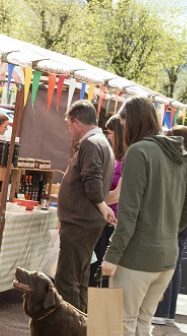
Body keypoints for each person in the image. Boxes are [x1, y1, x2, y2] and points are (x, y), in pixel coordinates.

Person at [79, 96, 187, 336]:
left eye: (121, 122)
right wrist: (164, 231)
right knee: (139, 332)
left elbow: (129, 214)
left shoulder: (139, 153)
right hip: (164, 260)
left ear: (132, 122)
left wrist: (111, 257)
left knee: (118, 335)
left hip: (135, 260)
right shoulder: (176, 152)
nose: (118, 129)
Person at [56, 100, 115, 312]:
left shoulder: (91, 143)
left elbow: (91, 178)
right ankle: (82, 330)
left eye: (70, 125)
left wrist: (100, 205)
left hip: (80, 223)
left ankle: (70, 334)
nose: (70, 129)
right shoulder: (101, 142)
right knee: (79, 280)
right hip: (86, 222)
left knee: (67, 280)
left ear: (77, 122)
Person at [152, 125, 187, 325]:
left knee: (167, 262)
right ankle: (168, 313)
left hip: (176, 215)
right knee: (176, 263)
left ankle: (161, 311)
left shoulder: (183, 160)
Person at [89, 115, 126, 286]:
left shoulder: (128, 158)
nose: (109, 137)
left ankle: (97, 312)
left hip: (113, 221)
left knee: (100, 271)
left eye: (111, 133)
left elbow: (119, 194)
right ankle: (93, 310)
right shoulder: (118, 157)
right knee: (96, 268)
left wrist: (98, 204)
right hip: (106, 219)